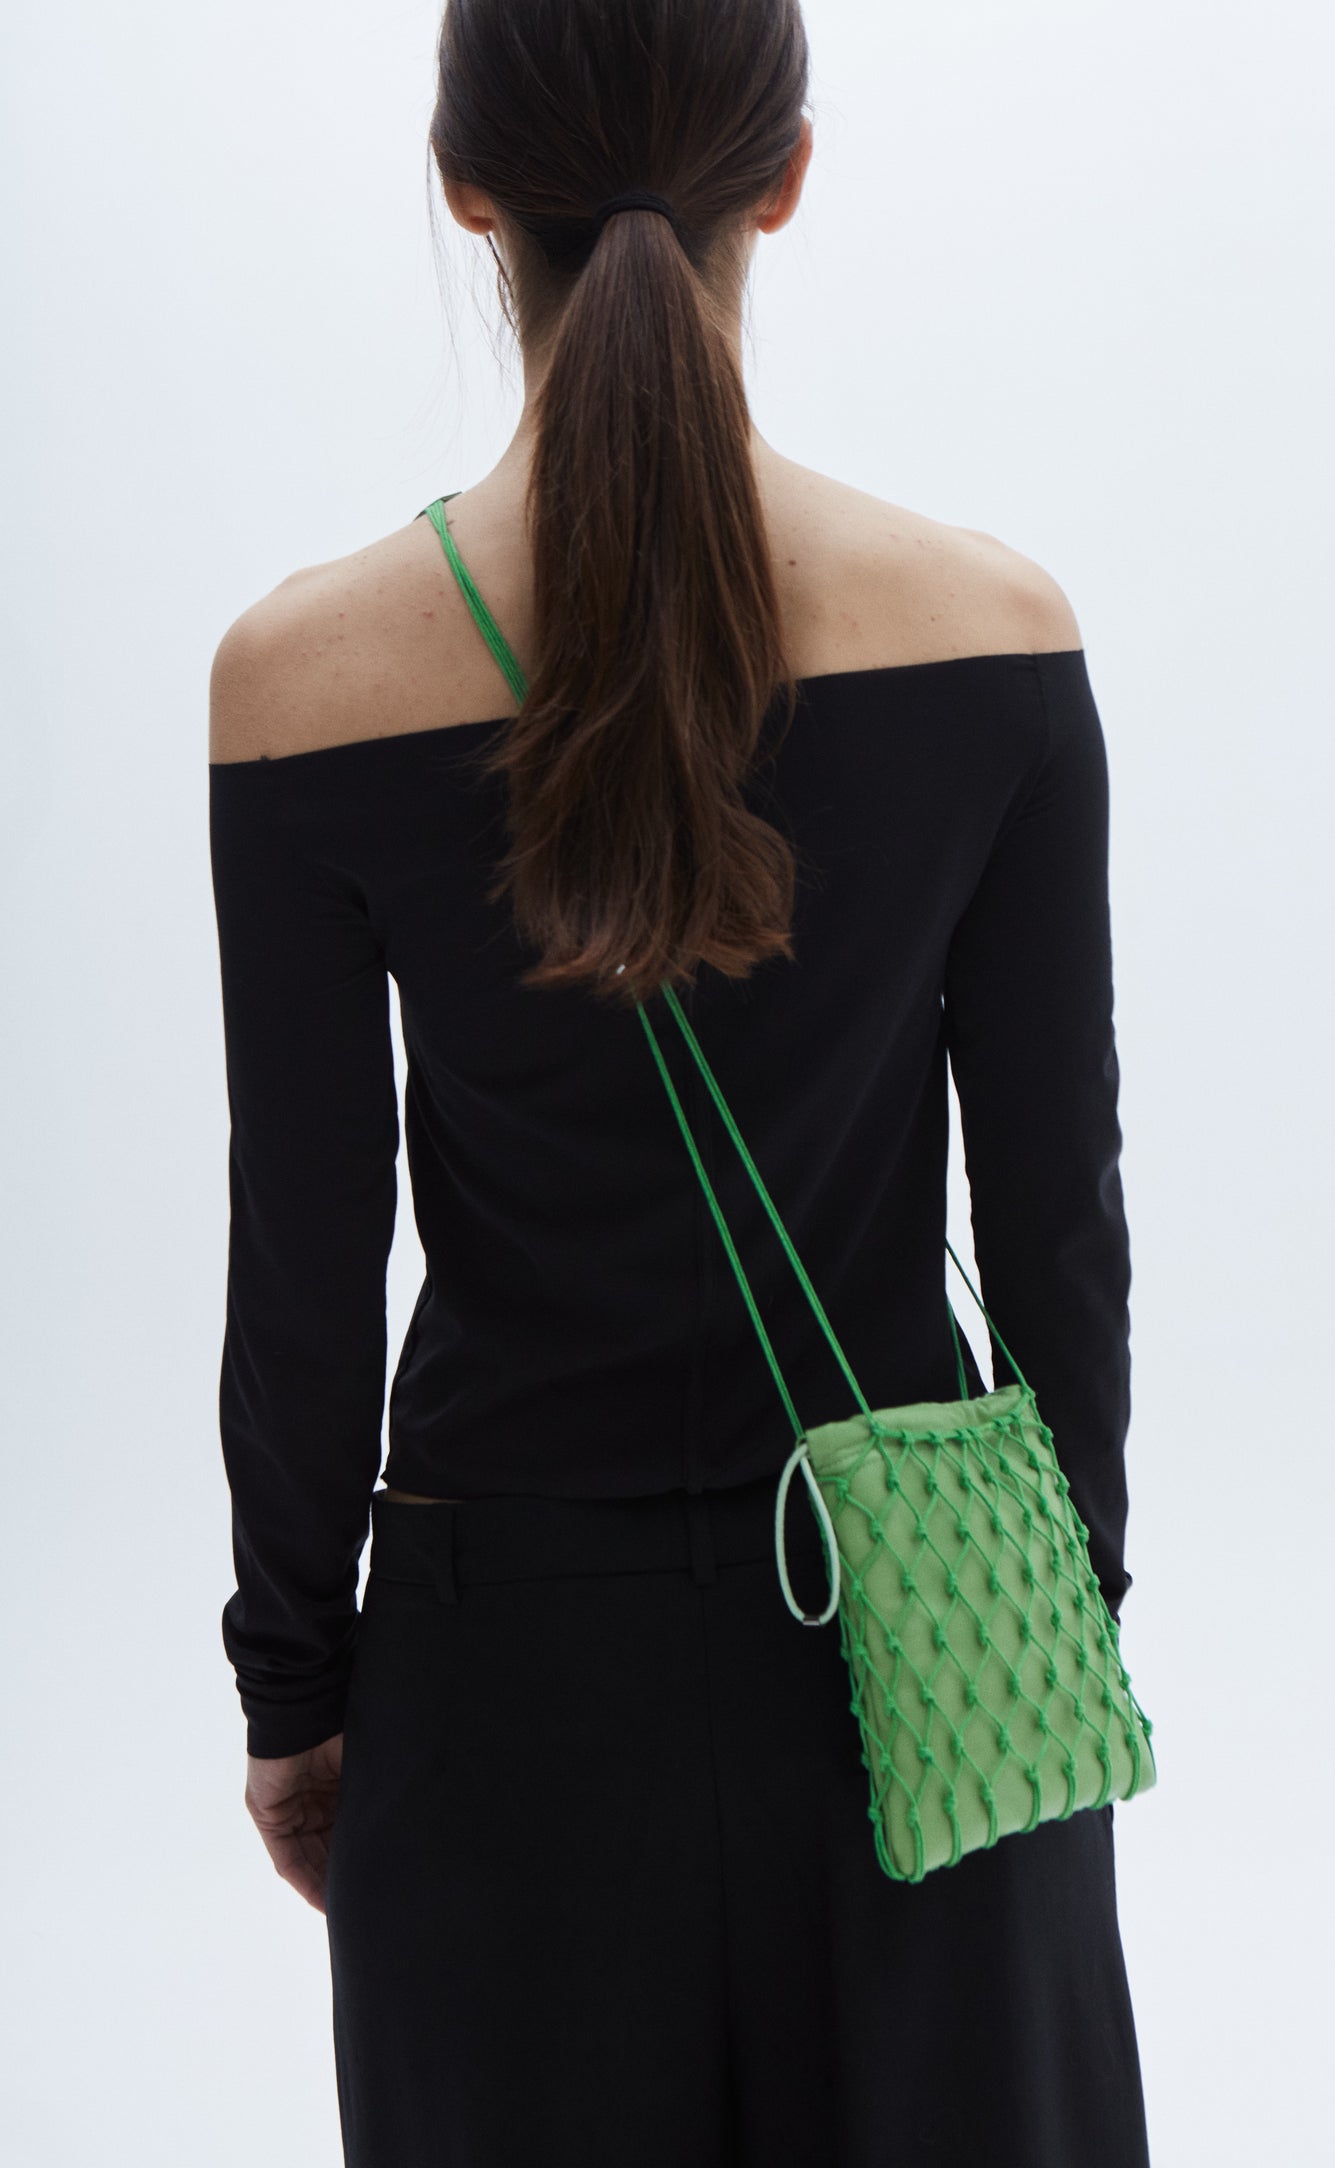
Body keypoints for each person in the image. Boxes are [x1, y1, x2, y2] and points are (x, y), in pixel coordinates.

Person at [206, 2, 1151, 2162]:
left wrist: (297, 1690)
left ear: (465, 182)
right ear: (785, 171)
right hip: (917, 1676)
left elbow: (306, 1265)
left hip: (499, 1699)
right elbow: (1056, 1227)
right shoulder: (989, 629)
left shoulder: (301, 679)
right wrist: (1051, 1632)